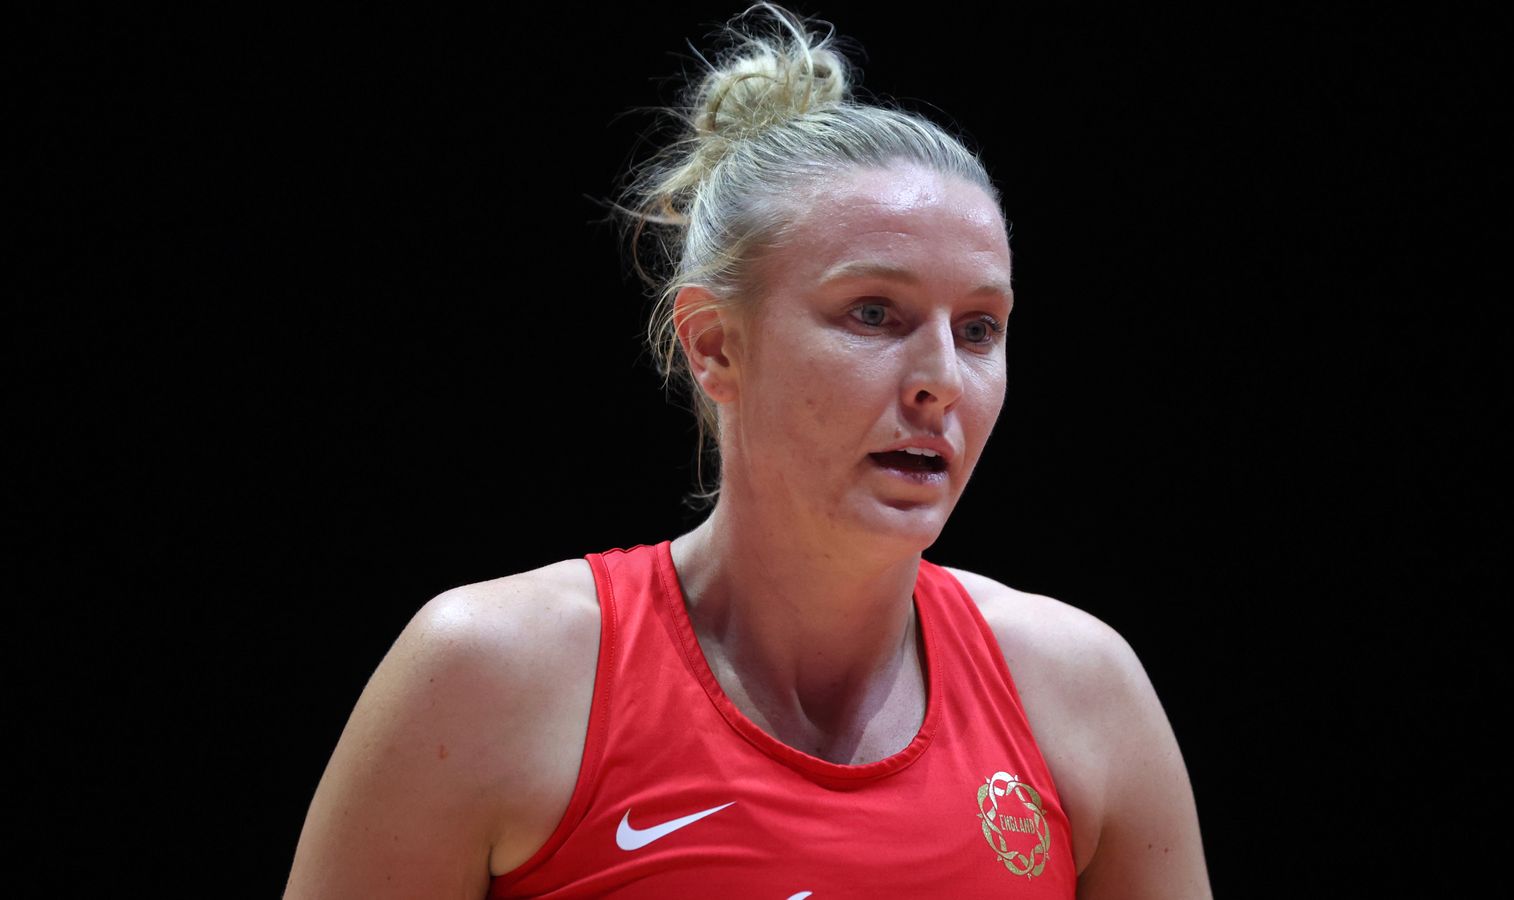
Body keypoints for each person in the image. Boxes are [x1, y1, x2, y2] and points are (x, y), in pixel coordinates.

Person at [286, 5, 1210, 897]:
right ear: (716, 345)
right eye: (874, 313)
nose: (941, 380)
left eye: (979, 328)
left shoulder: (1084, 695)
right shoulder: (488, 677)